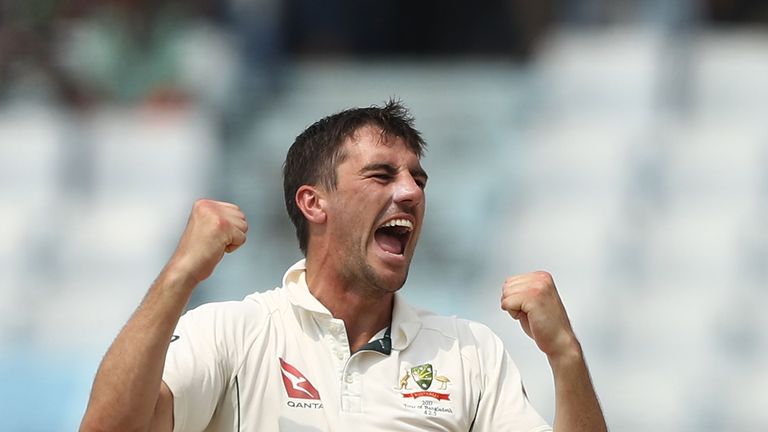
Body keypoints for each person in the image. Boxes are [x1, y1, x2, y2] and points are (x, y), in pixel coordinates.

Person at [80, 100, 607, 432]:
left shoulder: (471, 353)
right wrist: (180, 276)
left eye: (418, 179)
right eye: (381, 175)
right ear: (314, 203)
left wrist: (565, 356)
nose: (410, 192)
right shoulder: (232, 333)